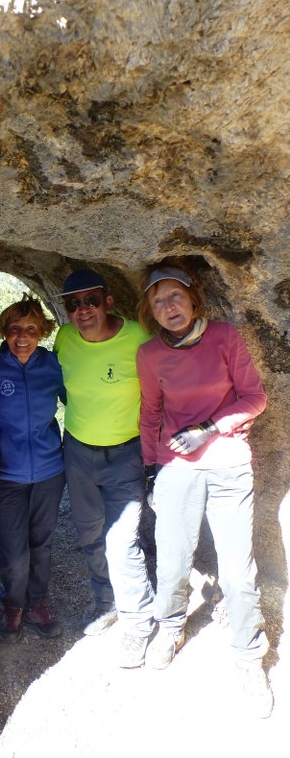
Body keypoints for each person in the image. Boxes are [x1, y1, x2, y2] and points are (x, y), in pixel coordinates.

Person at [136, 261, 272, 717]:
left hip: (229, 464)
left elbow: (255, 397)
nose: (169, 306)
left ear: (194, 299)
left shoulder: (225, 337)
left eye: (175, 296)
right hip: (176, 468)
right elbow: (151, 414)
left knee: (236, 570)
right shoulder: (150, 354)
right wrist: (152, 470)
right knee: (173, 559)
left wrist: (208, 429)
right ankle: (170, 626)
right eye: (158, 301)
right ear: (150, 311)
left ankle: (248, 654)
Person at [53, 268, 154, 668]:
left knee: (120, 540)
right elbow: (63, 385)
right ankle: (105, 602)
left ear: (109, 301)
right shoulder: (64, 339)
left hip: (126, 454)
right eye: (73, 304)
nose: (82, 310)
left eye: (91, 300)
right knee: (90, 532)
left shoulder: (137, 338)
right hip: (77, 449)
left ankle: (137, 622)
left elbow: (160, 392)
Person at [0, 295, 66, 643]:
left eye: (31, 329)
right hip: (7, 476)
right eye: (14, 329)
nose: (22, 336)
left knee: (41, 544)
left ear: (41, 331)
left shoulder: (53, 365)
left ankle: (36, 602)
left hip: (49, 470)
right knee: (14, 552)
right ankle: (13, 604)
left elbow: (78, 400)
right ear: (4, 331)